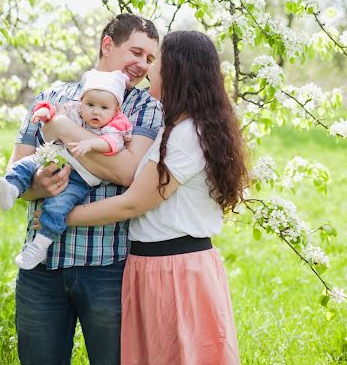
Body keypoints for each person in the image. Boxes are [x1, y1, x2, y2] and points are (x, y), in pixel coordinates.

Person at [41, 30, 248, 365]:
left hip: (175, 272)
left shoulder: (186, 135)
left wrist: (61, 216)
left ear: (177, 70)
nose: (149, 70)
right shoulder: (176, 126)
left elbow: (134, 202)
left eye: (157, 61)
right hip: (153, 267)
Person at [10, 14, 163, 365]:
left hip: (108, 267)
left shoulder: (145, 109)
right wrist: (36, 186)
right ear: (107, 44)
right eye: (136, 52)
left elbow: (127, 172)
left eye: (149, 59)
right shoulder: (51, 96)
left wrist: (62, 127)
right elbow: (16, 170)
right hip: (41, 266)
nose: (142, 65)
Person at [0, 69, 132, 270]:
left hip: (80, 177)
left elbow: (113, 143)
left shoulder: (116, 124)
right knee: (26, 164)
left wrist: (92, 144)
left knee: (58, 206)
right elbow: (56, 112)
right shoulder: (75, 110)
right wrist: (44, 112)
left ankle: (40, 245)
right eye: (90, 104)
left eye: (103, 107)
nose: (96, 111)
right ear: (81, 102)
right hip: (55, 156)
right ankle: (11, 189)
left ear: (115, 109)